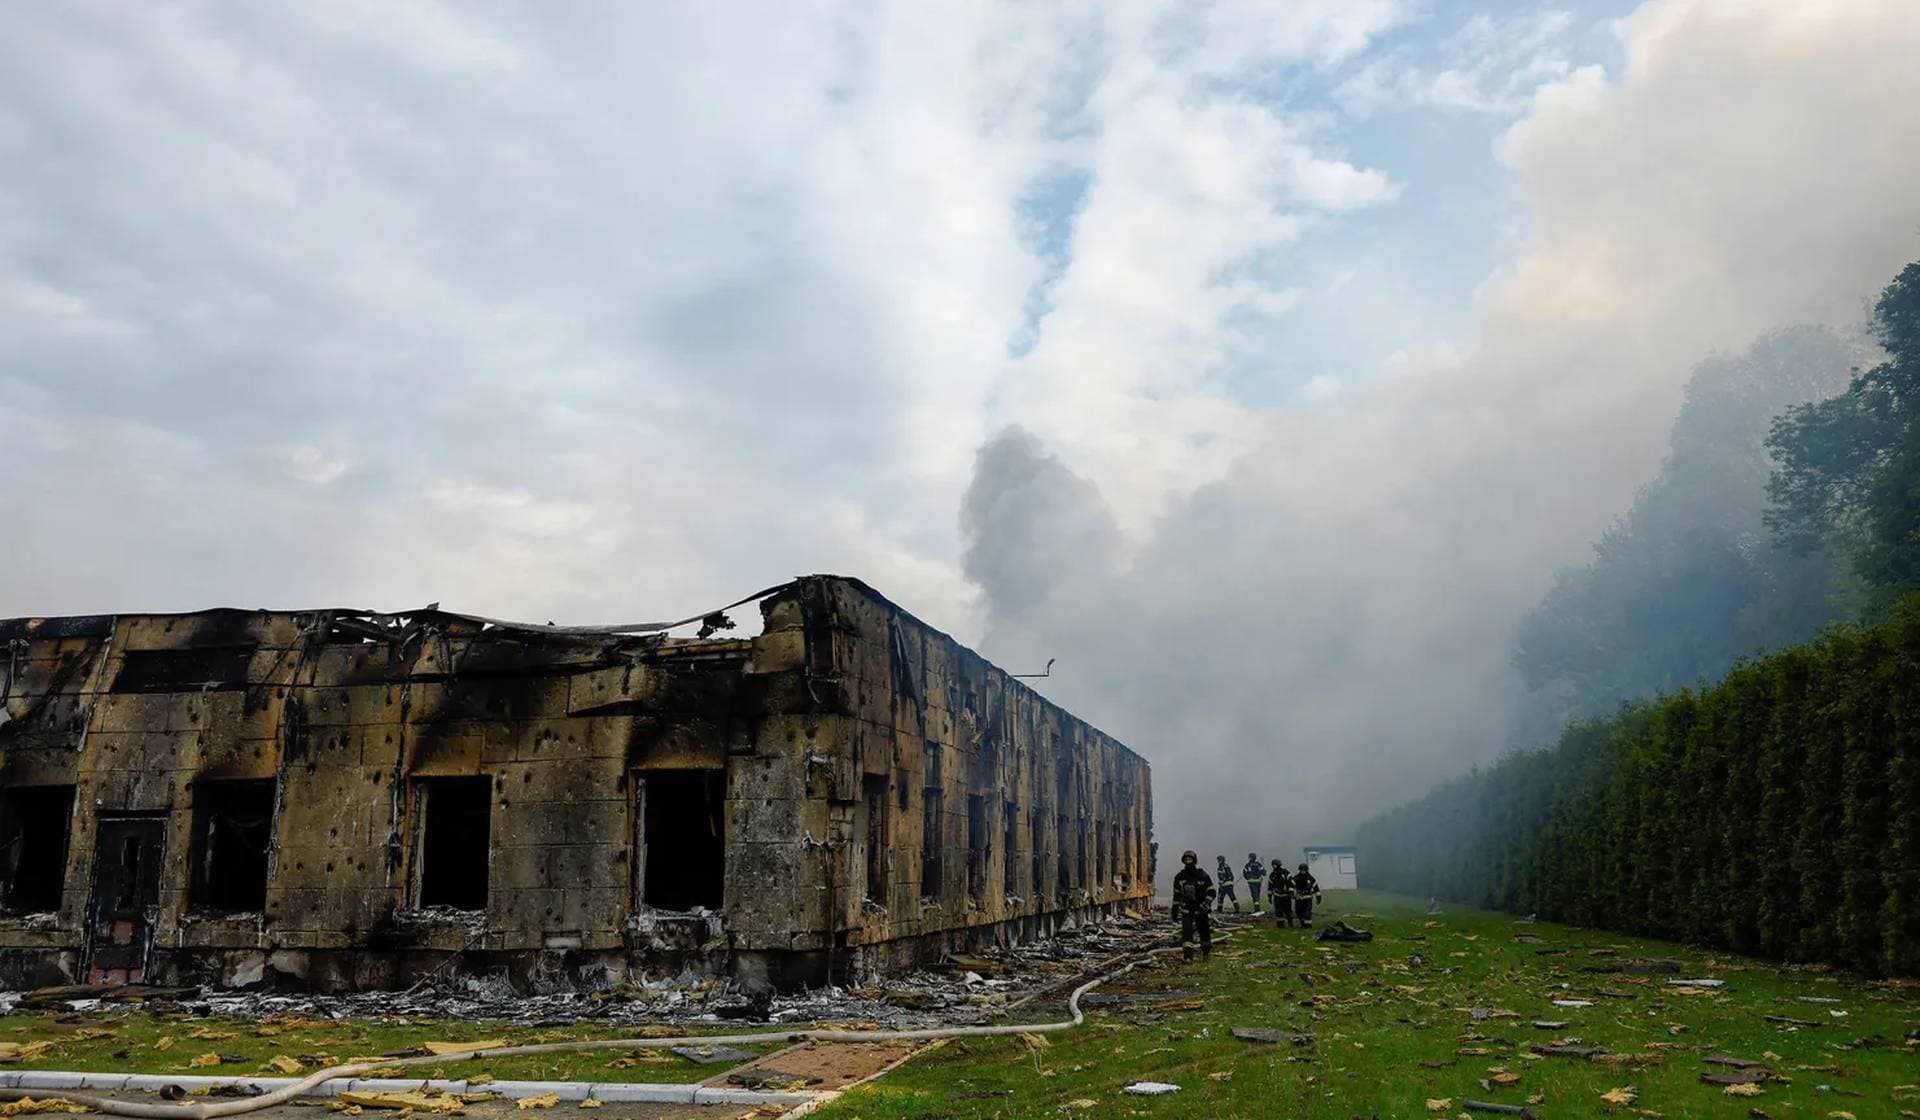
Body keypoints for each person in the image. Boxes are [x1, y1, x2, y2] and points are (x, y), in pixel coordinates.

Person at [1170, 850, 1215, 959]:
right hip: (1187, 909)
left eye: (1190, 859)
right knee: (1187, 933)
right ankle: (1188, 956)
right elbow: (1176, 896)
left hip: (1201, 908)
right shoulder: (1180, 877)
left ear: (1194, 860)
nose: (1188, 862)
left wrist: (1206, 903)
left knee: (1204, 931)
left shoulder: (1202, 875)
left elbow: (1211, 891)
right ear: (1183, 861)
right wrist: (1174, 911)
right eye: (1186, 860)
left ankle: (1206, 952)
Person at [1290, 862, 1320, 928]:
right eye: (1301, 870)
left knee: (1307, 912)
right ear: (1299, 870)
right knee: (1298, 912)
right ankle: (1303, 923)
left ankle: (1308, 925)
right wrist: (1291, 893)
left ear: (1306, 870)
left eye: (1304, 870)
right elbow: (1291, 886)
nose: (1302, 871)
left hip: (1308, 897)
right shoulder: (1296, 878)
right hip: (1299, 898)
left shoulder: (1310, 878)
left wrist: (1318, 898)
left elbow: (1316, 888)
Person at [1267, 858, 1291, 928]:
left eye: (1275, 865)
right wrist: (1269, 896)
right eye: (1273, 865)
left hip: (1285, 895)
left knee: (1288, 911)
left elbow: (1291, 883)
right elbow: (1270, 887)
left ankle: (1290, 923)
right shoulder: (1272, 875)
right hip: (1277, 895)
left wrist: (1291, 891)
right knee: (1278, 912)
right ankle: (1280, 926)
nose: (1274, 866)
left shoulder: (1285, 873)